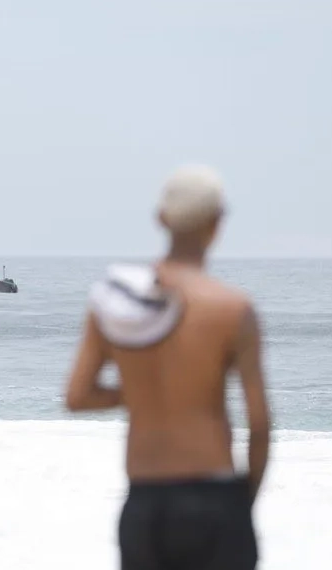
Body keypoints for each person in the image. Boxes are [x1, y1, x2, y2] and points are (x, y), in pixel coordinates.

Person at [63, 165, 270, 570]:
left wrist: (139, 391)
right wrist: (241, 506)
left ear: (161, 219)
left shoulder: (117, 304)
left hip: (145, 504)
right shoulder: (232, 308)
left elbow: (78, 397)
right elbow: (260, 425)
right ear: (217, 223)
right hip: (215, 497)